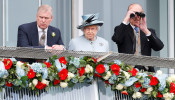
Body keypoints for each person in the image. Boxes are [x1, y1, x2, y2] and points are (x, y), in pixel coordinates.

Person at [112, 3, 164, 72]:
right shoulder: (122, 30)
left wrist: (145, 30)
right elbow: (116, 38)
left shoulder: (149, 31)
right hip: (127, 71)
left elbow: (159, 47)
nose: (137, 17)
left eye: (140, 14)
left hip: (145, 71)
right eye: (133, 14)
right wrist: (126, 19)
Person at [68, 13, 109, 100]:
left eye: (93, 29)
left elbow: (107, 63)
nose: (90, 31)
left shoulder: (104, 43)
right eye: (87, 29)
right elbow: (69, 63)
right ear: (83, 30)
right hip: (81, 84)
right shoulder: (74, 42)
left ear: (97, 29)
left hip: (99, 83)